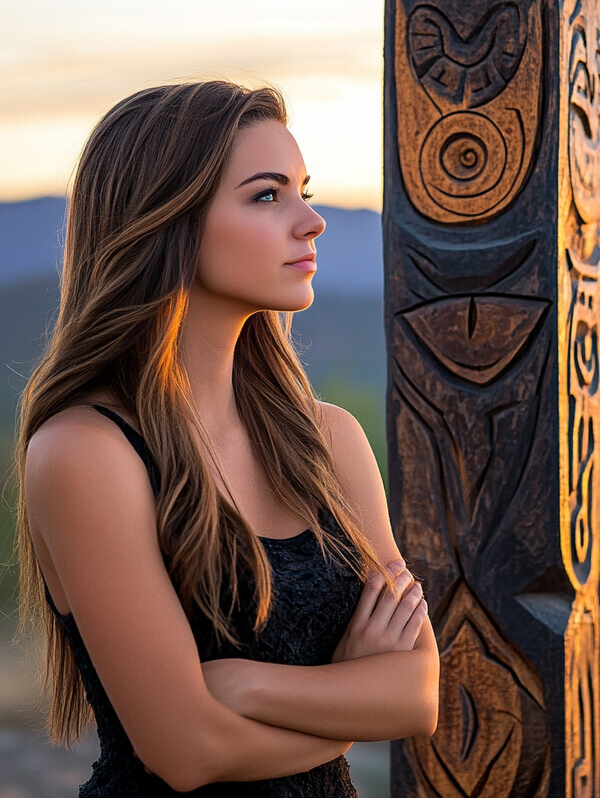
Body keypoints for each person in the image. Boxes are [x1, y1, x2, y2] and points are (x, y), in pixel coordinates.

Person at [15, 80, 439, 797]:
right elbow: (186, 751)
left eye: (304, 190)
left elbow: (415, 694)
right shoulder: (87, 452)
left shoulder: (329, 442)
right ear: (166, 221)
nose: (312, 222)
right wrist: (346, 700)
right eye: (267, 195)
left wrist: (241, 684)